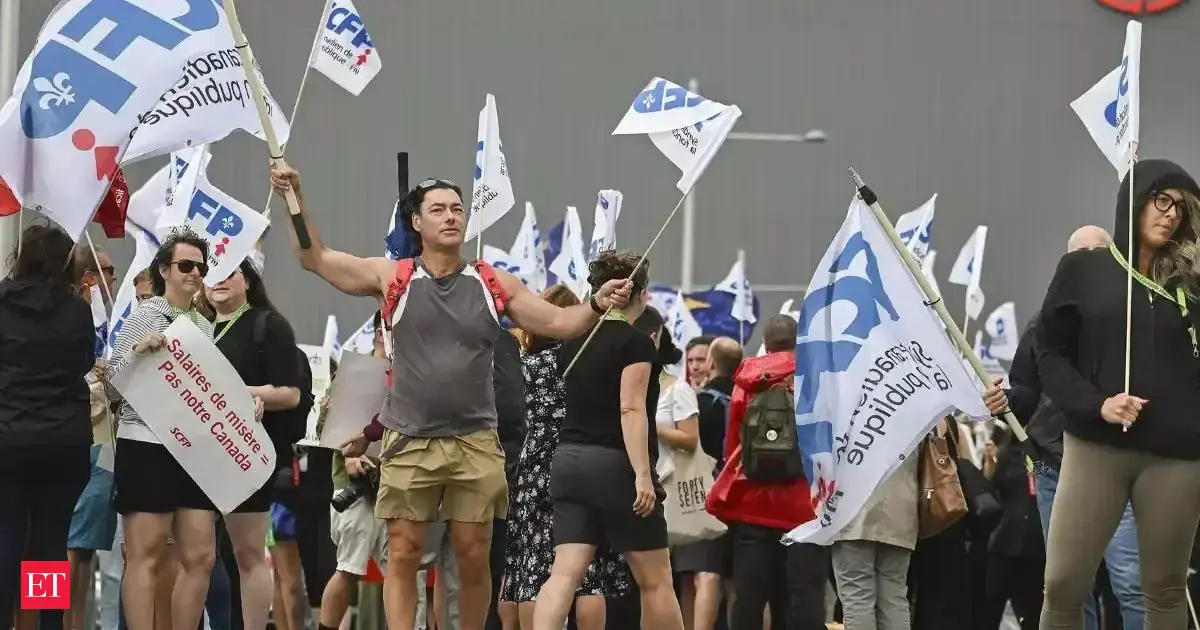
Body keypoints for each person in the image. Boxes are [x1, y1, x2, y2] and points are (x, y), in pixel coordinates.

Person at [268, 166, 632, 630]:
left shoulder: (492, 281)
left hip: (476, 441)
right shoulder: (392, 276)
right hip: (408, 439)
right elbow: (313, 257)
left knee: (473, 553)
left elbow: (558, 324)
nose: (450, 216)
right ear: (416, 223)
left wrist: (597, 303)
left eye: (457, 209)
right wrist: (293, 196)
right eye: (437, 209)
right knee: (402, 550)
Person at [1037, 158, 1200, 628]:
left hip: (1176, 456)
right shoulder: (1083, 270)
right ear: (1136, 200)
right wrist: (1096, 403)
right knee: (1064, 585)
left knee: (1165, 589)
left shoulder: (1190, 281)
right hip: (1097, 446)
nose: (1170, 214)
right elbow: (1049, 353)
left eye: (1180, 208)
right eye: (1161, 200)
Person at [104, 229, 255, 630]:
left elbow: (211, 392)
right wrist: (137, 355)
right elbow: (110, 387)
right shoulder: (144, 316)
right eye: (185, 265)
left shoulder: (204, 327)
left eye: (201, 267)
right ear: (164, 271)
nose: (194, 273)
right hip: (146, 444)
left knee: (202, 555)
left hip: (192, 451)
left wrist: (245, 403)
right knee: (145, 553)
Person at [533, 251, 685, 630]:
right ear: (641, 294)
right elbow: (630, 409)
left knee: (563, 575)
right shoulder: (637, 344)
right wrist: (643, 476)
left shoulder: (573, 343)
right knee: (656, 581)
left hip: (568, 463)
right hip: (615, 465)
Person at [1005, 225, 1143, 630]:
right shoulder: (1042, 323)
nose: (1086, 258)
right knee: (1067, 587)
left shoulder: (1136, 319)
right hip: (1056, 468)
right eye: (1077, 252)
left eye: (1096, 250)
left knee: (1131, 582)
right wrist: (1006, 403)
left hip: (1116, 467)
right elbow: (1025, 389)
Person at [501, 285, 633, 630]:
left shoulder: (525, 365)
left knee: (533, 562)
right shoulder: (590, 365)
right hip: (583, 456)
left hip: (534, 464)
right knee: (587, 571)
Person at [0, 224, 96, 630]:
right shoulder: (76, 308)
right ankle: (50, 624)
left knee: (6, 537)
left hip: (9, 437)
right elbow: (86, 362)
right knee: (50, 540)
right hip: (64, 440)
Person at [705, 314, 827, 630]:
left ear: (767, 345)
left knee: (749, 596)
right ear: (798, 342)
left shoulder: (745, 383)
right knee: (805, 596)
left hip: (751, 506)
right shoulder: (815, 380)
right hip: (805, 508)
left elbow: (733, 447)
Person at [206, 257, 304, 630]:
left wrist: (232, 393)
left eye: (228, 273)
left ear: (246, 280)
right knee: (198, 556)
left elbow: (290, 393)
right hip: (198, 456)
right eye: (211, 274)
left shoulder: (268, 325)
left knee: (248, 555)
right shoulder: (196, 327)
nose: (219, 281)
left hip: (246, 454)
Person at [66, 244, 121, 630]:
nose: (112, 279)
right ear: (88, 278)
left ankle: (71, 624)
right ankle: (50, 623)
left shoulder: (107, 320)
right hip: (65, 440)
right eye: (108, 271)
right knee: (57, 547)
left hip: (98, 443)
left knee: (80, 549)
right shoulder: (66, 317)